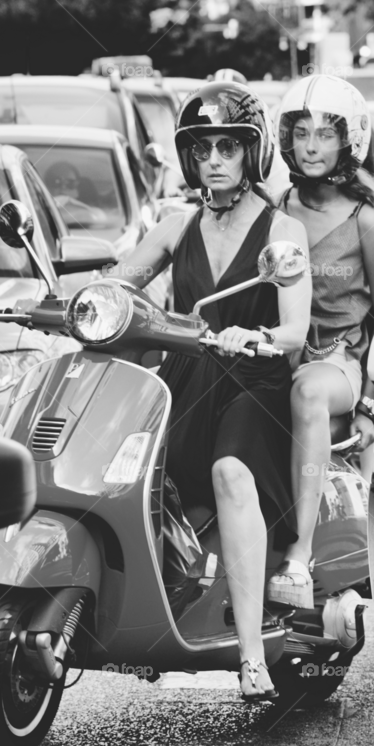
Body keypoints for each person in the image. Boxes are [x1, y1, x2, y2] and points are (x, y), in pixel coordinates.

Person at [113, 81, 310, 701]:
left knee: (230, 471)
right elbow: (122, 285)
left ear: (252, 155)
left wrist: (254, 336)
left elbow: (297, 332)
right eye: (203, 148)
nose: (215, 159)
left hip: (254, 383)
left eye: (229, 146)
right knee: (124, 467)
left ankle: (251, 656)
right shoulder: (176, 227)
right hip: (189, 380)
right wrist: (75, 303)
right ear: (188, 157)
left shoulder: (285, 233)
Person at [267, 74, 374, 609]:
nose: (312, 146)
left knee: (309, 394)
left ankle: (296, 558)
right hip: (281, 356)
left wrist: (372, 405)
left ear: (350, 141)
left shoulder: (368, 222)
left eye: (325, 134)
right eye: (301, 133)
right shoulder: (275, 208)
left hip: (338, 365)